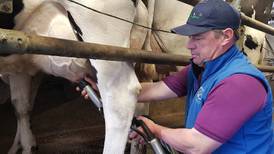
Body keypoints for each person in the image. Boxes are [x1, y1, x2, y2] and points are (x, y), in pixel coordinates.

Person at [78, 0, 273, 153]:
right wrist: (106, 88)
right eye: (189, 37)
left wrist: (155, 129)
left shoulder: (240, 82)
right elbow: (154, 90)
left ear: (226, 36)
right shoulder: (201, 68)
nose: (189, 45)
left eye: (197, 37)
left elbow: (197, 145)